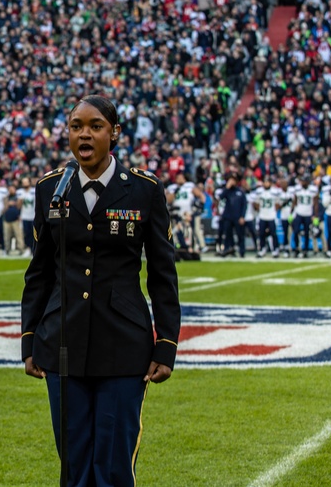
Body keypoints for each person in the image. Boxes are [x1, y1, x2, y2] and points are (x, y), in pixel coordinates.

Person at [22, 95, 180, 487]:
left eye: (95, 126)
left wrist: (167, 345)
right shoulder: (49, 190)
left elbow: (163, 273)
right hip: (62, 342)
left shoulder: (144, 190)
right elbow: (39, 272)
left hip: (124, 347)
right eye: (76, 126)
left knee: (111, 467)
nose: (84, 134)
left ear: (115, 134)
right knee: (72, 466)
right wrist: (29, 341)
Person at [218, 173, 247, 257]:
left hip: (237, 216)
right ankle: (227, 249)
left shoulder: (240, 191)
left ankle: (242, 251)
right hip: (227, 216)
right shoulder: (227, 191)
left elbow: (244, 205)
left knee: (240, 235)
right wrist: (227, 187)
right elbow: (221, 197)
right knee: (227, 234)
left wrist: (242, 216)